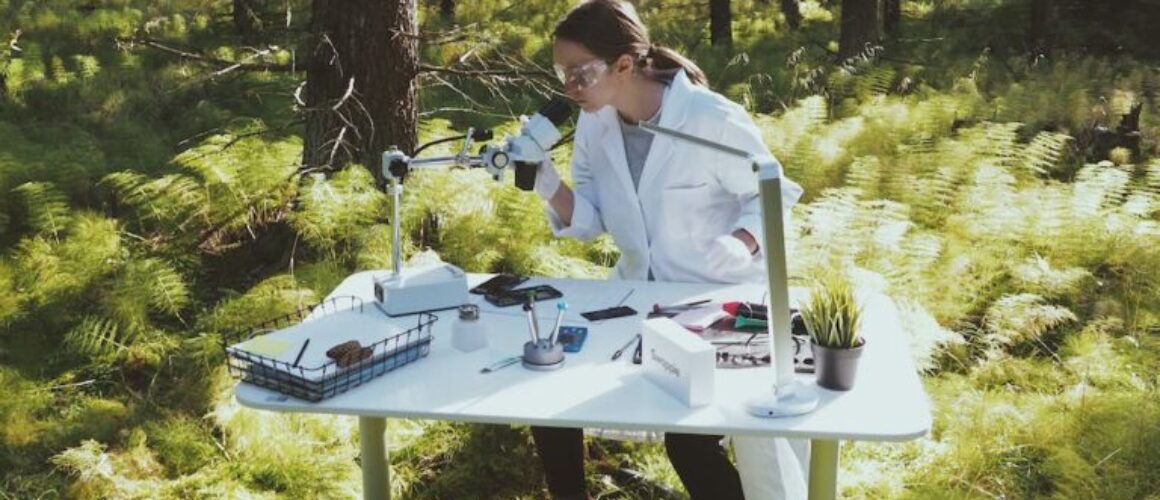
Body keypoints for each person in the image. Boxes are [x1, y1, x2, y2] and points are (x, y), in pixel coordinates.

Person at [528, 1, 809, 499]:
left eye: (580, 73)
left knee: (690, 442)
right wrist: (549, 185)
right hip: (639, 299)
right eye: (561, 72)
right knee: (549, 400)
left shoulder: (706, 117)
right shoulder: (596, 123)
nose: (569, 88)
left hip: (717, 302)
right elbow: (590, 220)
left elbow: (774, 192)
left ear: (623, 65)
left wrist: (742, 242)